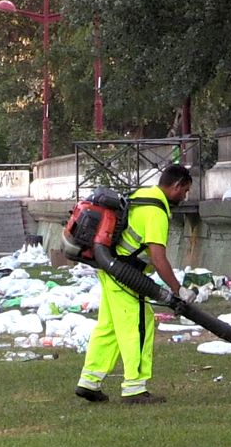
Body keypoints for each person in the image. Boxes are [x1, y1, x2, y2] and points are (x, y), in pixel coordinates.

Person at [75, 165, 194, 404]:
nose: (185, 197)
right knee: (140, 325)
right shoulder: (156, 212)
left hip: (110, 268)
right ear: (176, 185)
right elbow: (157, 257)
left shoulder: (142, 195)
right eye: (185, 191)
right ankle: (134, 388)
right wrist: (177, 289)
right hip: (126, 273)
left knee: (108, 327)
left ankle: (89, 381)